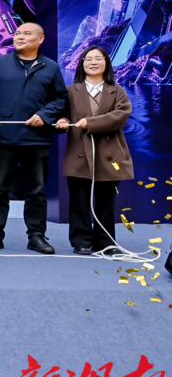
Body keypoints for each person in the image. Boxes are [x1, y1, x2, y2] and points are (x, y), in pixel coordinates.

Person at [0, 22, 68, 253]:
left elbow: (60, 99)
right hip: (2, 137)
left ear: (40, 39)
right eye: (17, 33)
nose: (19, 37)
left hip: (37, 140)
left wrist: (44, 115)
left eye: (27, 33)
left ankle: (37, 236)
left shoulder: (51, 67)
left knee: (36, 190)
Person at [55, 47, 133, 255]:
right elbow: (62, 114)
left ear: (106, 63)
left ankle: (105, 242)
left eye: (99, 58)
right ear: (81, 63)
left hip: (110, 155)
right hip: (78, 153)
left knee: (106, 201)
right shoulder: (70, 91)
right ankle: (80, 241)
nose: (93, 62)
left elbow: (120, 116)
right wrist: (62, 121)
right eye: (88, 59)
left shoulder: (118, 91)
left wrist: (90, 123)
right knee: (78, 200)